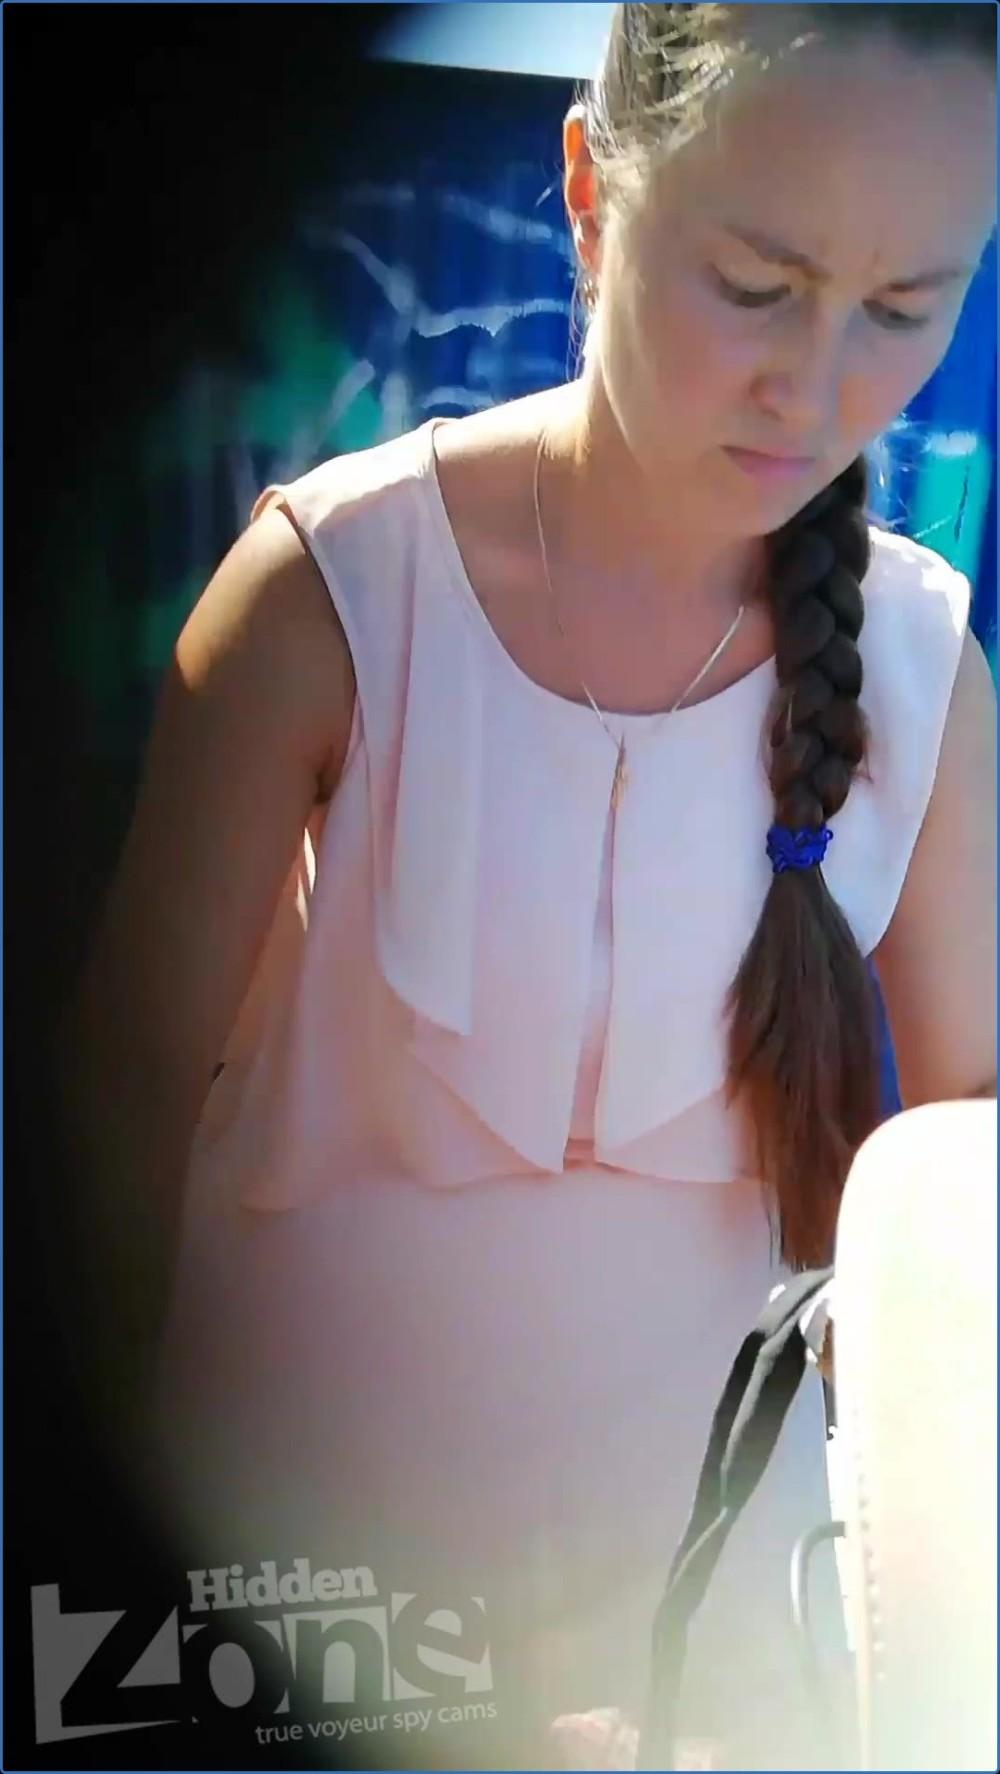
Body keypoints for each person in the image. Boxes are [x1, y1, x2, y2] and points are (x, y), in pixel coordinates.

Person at [66, 5, 996, 1769]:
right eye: (756, 285)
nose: (817, 388)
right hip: (285, 1606)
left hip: (707, 1641)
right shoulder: (324, 598)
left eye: (903, 307)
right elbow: (101, 1137)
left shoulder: (926, 672)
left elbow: (965, 1194)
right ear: (590, 185)